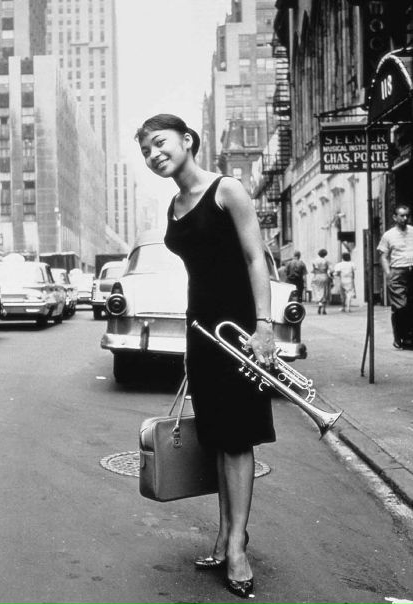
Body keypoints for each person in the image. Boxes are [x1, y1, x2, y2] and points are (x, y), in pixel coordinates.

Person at [136, 114, 277, 599]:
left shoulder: (227, 190)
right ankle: (225, 535)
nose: (154, 155)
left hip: (238, 327)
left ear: (187, 140)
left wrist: (264, 326)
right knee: (216, 435)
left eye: (160, 143)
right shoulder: (175, 205)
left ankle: (237, 546)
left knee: (237, 438)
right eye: (146, 151)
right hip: (200, 330)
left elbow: (256, 258)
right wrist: (189, 348)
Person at [377, 204, 413, 349]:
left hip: (411, 271)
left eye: (407, 215)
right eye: (402, 215)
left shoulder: (412, 231)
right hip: (397, 272)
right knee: (400, 306)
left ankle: (408, 337)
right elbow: (383, 256)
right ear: (394, 217)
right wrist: (388, 274)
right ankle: (398, 336)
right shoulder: (388, 235)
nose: (405, 218)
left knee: (410, 305)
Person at [311, 249, 332, 314]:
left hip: (317, 276)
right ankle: (324, 309)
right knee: (325, 291)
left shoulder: (314, 261)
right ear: (325, 254)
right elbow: (331, 270)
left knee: (317, 290)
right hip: (324, 276)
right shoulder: (326, 261)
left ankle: (319, 303)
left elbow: (313, 270)